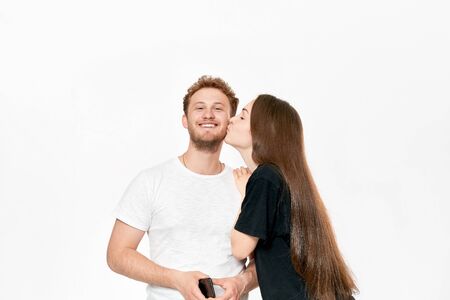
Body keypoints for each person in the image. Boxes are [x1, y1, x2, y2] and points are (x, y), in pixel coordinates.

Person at [107, 76, 258, 300]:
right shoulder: (152, 181)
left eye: (218, 108)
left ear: (230, 122)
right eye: (199, 108)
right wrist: (176, 279)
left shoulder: (246, 185)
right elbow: (117, 255)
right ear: (185, 120)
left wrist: (241, 283)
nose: (208, 114)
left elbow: (263, 260)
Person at [225, 95, 358, 300]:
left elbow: (240, 248)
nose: (231, 120)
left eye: (242, 117)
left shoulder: (265, 178)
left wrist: (246, 196)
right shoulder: (282, 178)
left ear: (263, 131)